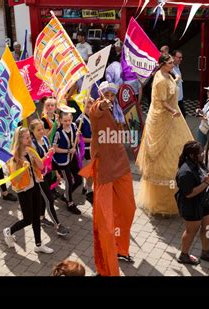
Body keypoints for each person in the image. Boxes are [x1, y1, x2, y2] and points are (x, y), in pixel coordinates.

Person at [78, 94, 136, 276]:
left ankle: (121, 249)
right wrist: (100, 105)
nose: (109, 97)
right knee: (105, 224)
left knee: (129, 209)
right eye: (106, 94)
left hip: (121, 164)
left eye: (112, 94)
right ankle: (106, 268)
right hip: (104, 170)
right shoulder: (98, 111)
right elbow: (96, 111)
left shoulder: (117, 110)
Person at [136, 54, 193, 216]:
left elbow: (169, 90)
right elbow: (161, 101)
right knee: (165, 158)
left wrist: (175, 81)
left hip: (173, 118)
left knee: (180, 149)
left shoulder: (168, 75)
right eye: (169, 63)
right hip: (164, 119)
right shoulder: (160, 79)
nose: (172, 64)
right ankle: (162, 204)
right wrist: (173, 110)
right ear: (161, 64)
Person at [3, 127, 54, 254]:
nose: (30, 139)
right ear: (19, 140)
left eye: (29, 137)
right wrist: (23, 169)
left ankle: (38, 245)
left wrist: (36, 158)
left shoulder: (31, 149)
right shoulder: (14, 157)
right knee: (28, 219)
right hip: (23, 190)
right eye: (26, 138)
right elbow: (14, 180)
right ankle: (9, 231)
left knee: (36, 217)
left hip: (35, 185)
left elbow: (41, 167)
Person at [175, 141, 209, 265]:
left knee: (208, 225)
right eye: (200, 152)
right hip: (191, 205)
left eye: (203, 151)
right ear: (191, 155)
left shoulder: (198, 162)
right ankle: (183, 255)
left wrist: (208, 176)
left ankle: (205, 252)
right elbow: (189, 193)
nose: (203, 153)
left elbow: (202, 176)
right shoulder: (185, 172)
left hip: (202, 201)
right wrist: (206, 183)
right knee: (191, 231)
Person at [29, 119, 69, 236]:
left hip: (48, 174)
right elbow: (36, 164)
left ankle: (41, 218)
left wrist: (56, 173)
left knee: (43, 199)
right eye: (38, 130)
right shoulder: (32, 145)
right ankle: (58, 225)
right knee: (49, 200)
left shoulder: (45, 139)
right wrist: (46, 155)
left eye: (42, 129)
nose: (41, 131)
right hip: (39, 177)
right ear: (32, 131)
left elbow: (50, 159)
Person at [76, 98, 93, 203]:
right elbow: (78, 139)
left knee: (91, 171)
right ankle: (88, 189)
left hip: (94, 148)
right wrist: (92, 139)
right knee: (87, 171)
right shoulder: (80, 121)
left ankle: (87, 187)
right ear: (83, 106)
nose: (89, 109)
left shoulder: (95, 117)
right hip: (84, 149)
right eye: (87, 106)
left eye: (91, 106)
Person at [171, 50, 186, 118]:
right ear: (173, 57)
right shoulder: (170, 69)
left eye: (181, 57)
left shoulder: (177, 66)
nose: (181, 59)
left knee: (182, 116)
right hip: (174, 99)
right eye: (179, 57)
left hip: (180, 97)